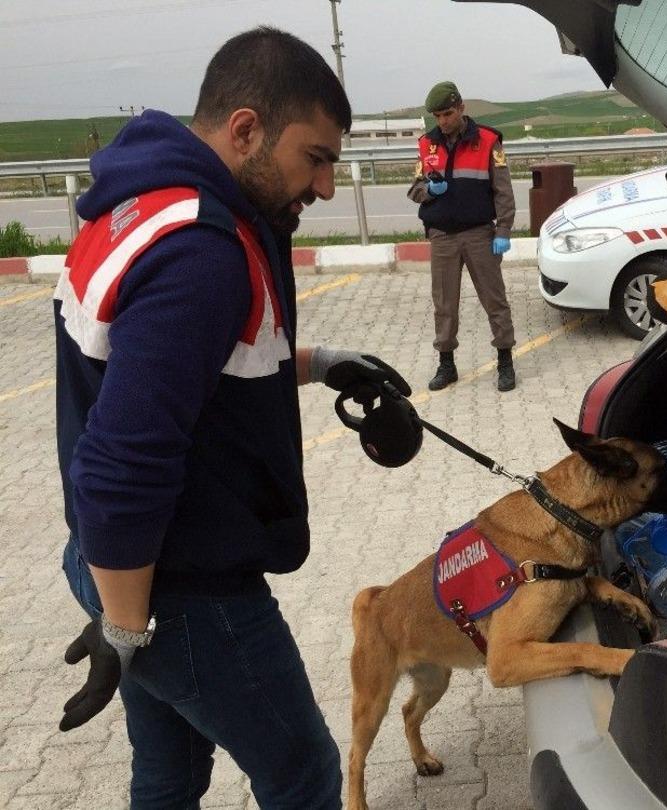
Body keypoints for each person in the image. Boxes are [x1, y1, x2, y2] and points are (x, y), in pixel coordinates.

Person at [54, 28, 410, 808]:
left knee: (171, 775)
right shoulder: (200, 250)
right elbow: (122, 466)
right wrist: (126, 630)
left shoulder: (143, 199)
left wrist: (319, 364)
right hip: (179, 592)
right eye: (314, 158)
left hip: (121, 566)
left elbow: (177, 364)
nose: (322, 187)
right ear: (246, 128)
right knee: (307, 778)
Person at [407, 81, 518, 392]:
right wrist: (429, 190)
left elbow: (503, 191)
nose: (442, 121)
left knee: (494, 300)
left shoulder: (487, 141)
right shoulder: (427, 145)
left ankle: (505, 360)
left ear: (461, 108)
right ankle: (447, 364)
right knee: (444, 304)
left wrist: (503, 230)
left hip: (479, 235)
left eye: (448, 113)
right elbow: (414, 189)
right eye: (438, 115)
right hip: (442, 236)